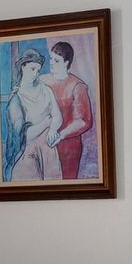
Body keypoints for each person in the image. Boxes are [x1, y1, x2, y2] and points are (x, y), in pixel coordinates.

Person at [4, 48, 63, 182]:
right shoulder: (16, 100)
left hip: (48, 151)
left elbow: (58, 116)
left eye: (38, 70)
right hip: (26, 153)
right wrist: (46, 123)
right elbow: (23, 136)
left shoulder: (46, 90)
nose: (35, 74)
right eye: (32, 69)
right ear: (23, 67)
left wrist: (53, 130)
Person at [45, 40, 95, 180]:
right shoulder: (42, 82)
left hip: (67, 147)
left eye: (56, 60)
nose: (51, 63)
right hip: (44, 146)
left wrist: (60, 135)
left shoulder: (77, 86)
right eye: (51, 59)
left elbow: (84, 121)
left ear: (66, 63)